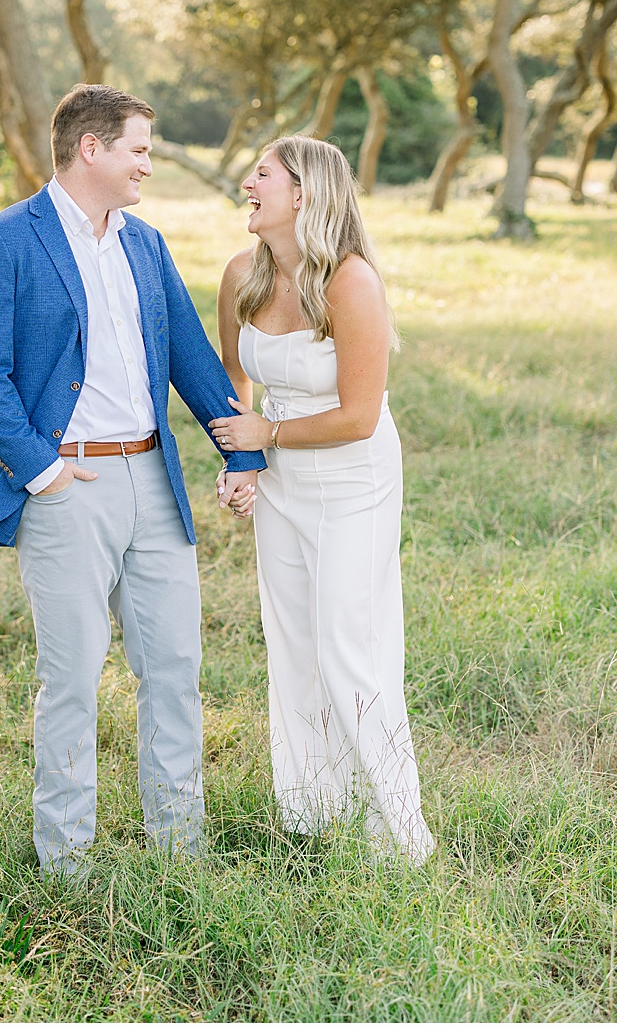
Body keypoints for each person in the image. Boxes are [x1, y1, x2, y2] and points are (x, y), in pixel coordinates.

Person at [0, 84, 263, 875]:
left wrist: (241, 453)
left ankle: (179, 851)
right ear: (91, 149)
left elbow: (190, 357)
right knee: (71, 680)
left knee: (175, 671)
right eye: (138, 151)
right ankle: (67, 864)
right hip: (68, 487)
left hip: (153, 482)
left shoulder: (144, 244)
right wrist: (43, 472)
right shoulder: (4, 242)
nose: (147, 168)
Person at [208, 136, 435, 862]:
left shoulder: (350, 282)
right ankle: (314, 810)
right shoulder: (242, 273)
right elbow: (231, 383)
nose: (247, 183)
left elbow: (359, 416)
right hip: (280, 483)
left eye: (262, 174)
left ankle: (399, 833)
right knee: (295, 644)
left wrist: (266, 432)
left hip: (352, 480)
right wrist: (243, 463)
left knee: (348, 645)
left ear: (303, 194)